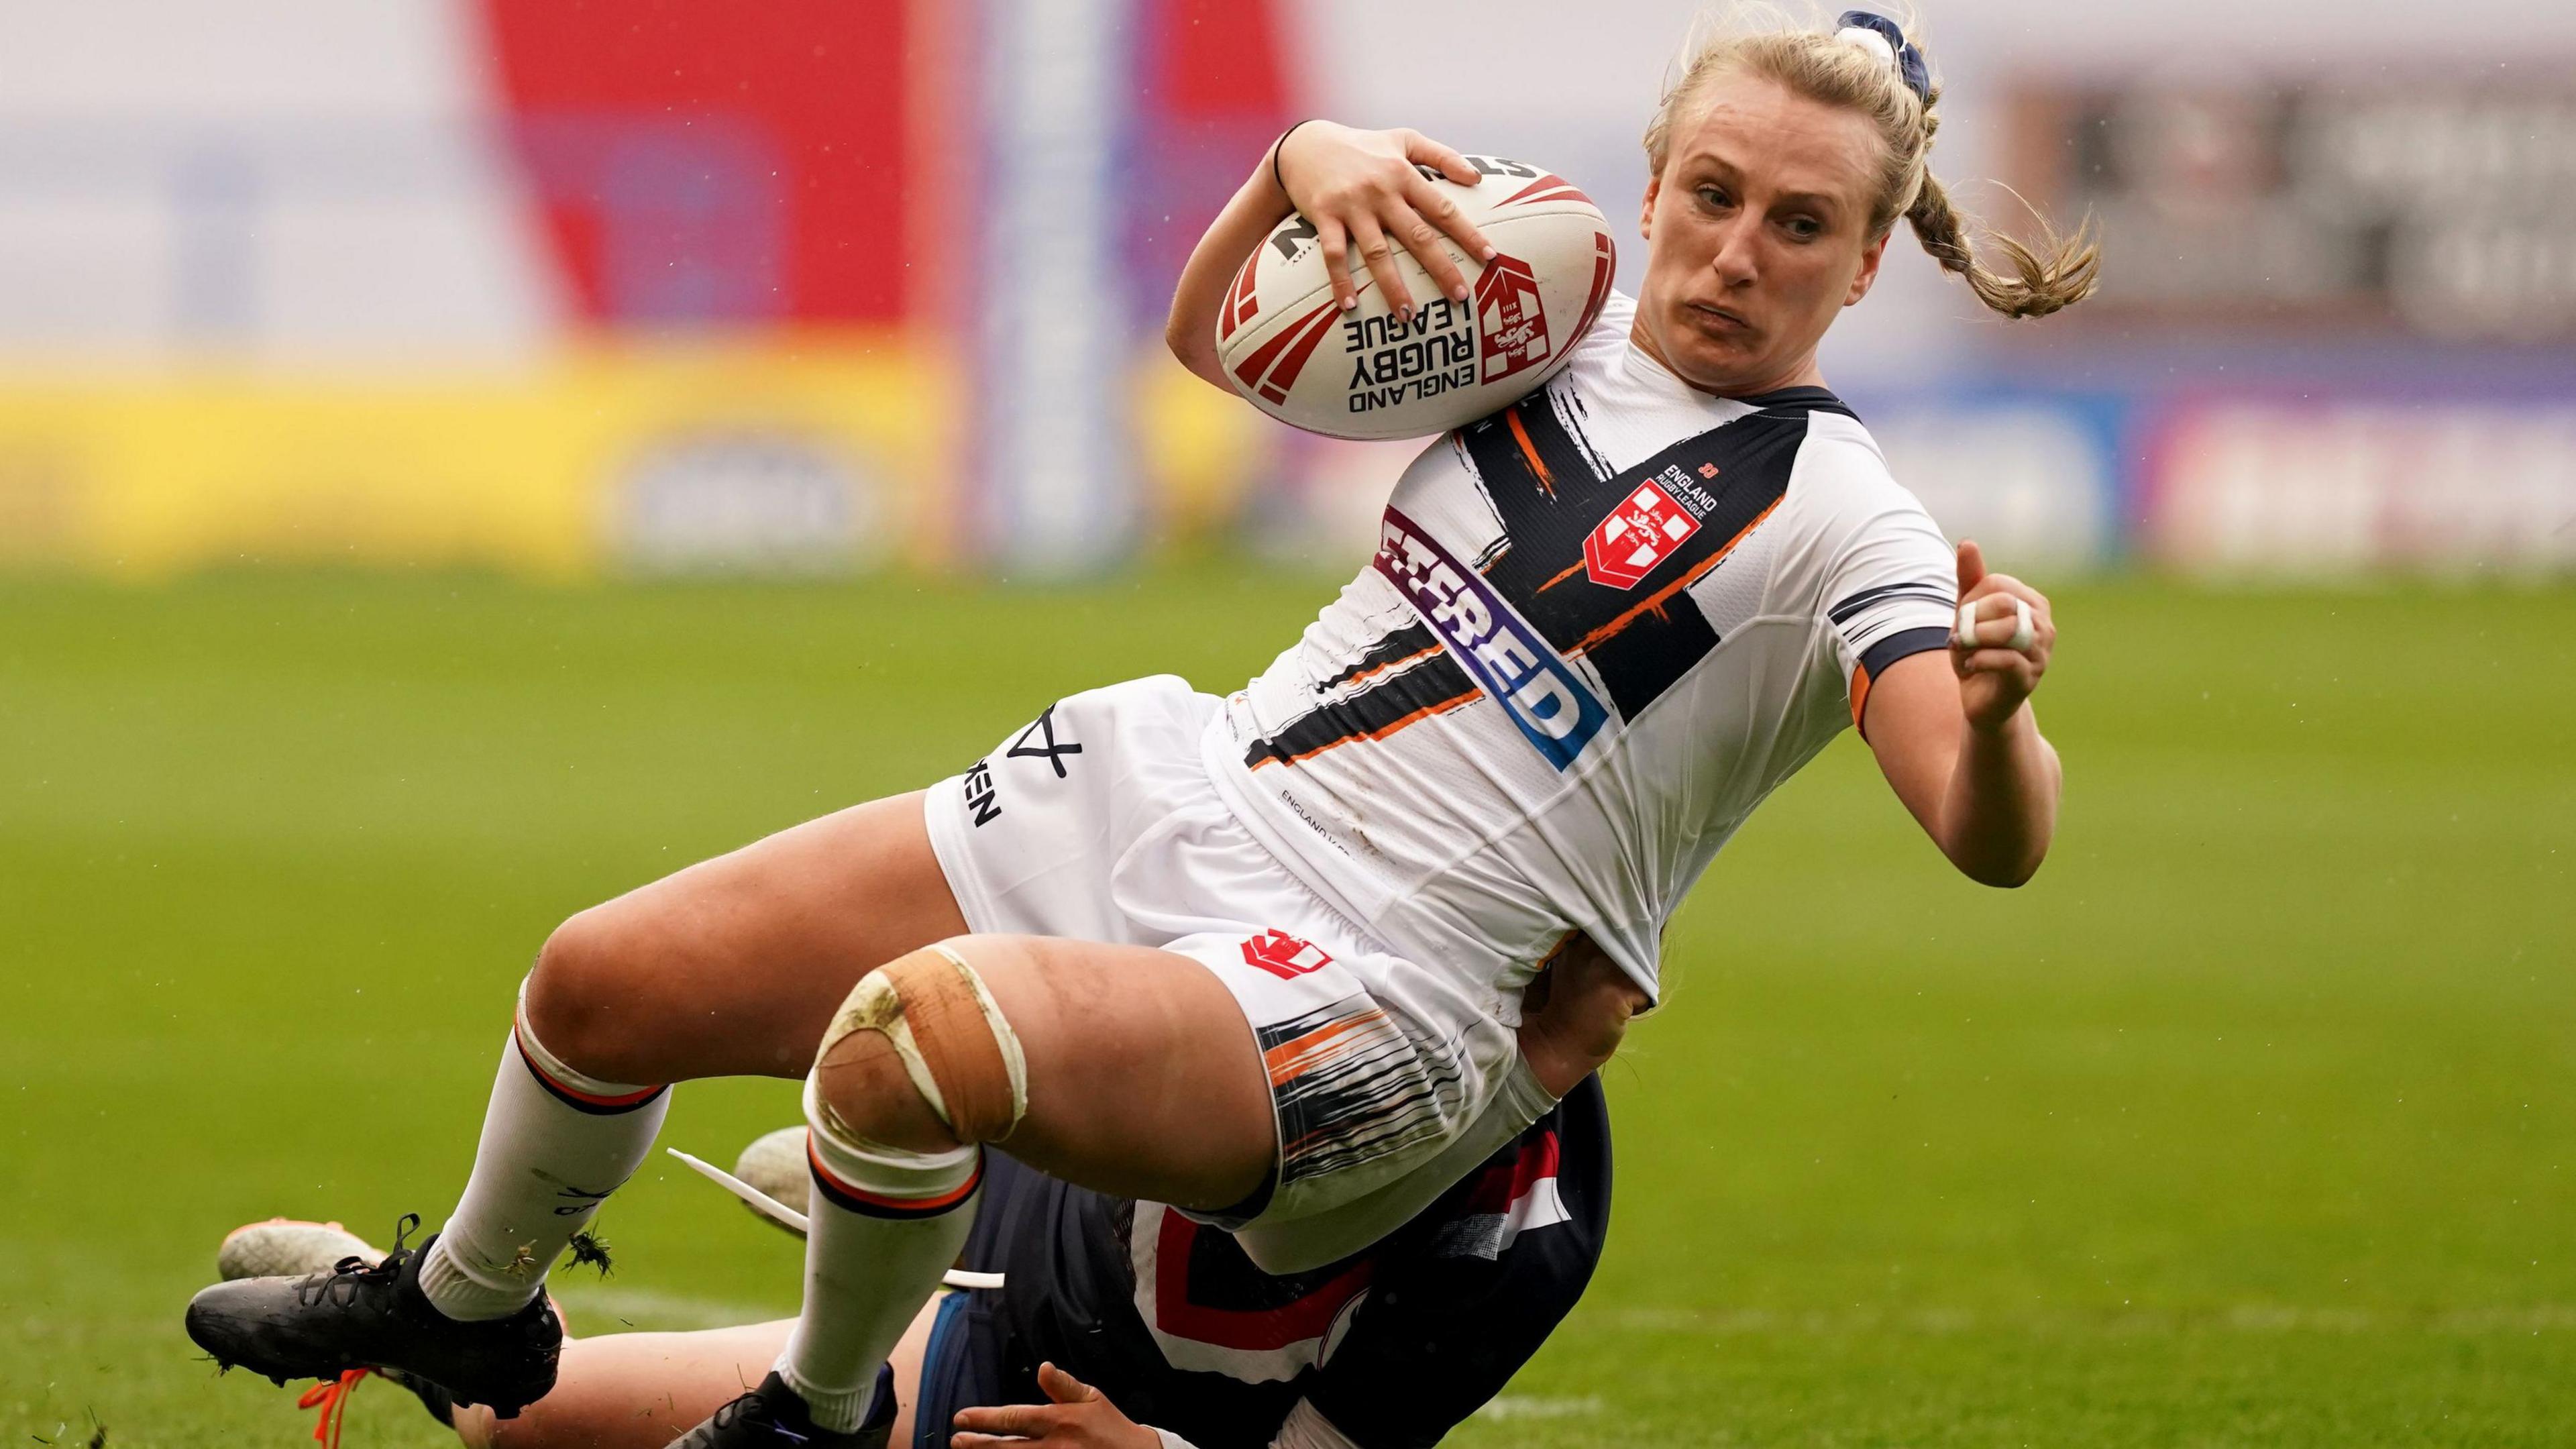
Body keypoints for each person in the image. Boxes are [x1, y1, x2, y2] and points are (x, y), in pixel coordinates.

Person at [185, 9, 2092, 1447]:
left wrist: (1997, 715)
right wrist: (1305, 161)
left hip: (1387, 989)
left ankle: (821, 1411)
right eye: (1717, 193)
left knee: (912, 1047)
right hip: (1182, 785)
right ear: (1659, 175)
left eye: (1803, 224)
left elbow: (1989, 828)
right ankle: (465, 1310)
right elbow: (1212, 347)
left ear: (1865, 260)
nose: (1741, 247)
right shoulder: (1537, 308)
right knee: (602, 983)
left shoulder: (1851, 519)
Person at [213, 1077, 1605, 1449]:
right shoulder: (1283, 957)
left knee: (516, 1432)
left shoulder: (1518, 1242)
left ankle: (892, 1230)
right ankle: (909, 1217)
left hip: (1126, 1415)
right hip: (1035, 1299)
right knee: (512, 1417)